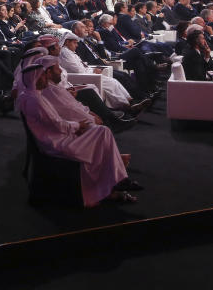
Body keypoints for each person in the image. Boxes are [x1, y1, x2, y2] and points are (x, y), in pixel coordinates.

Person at [17, 56, 135, 207]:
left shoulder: (31, 96)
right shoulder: (36, 100)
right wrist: (78, 126)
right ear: (36, 78)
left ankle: (113, 182)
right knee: (102, 133)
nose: (45, 78)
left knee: (101, 133)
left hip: (55, 137)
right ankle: (113, 181)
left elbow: (56, 120)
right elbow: (58, 124)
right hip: (56, 142)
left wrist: (78, 126)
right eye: (43, 75)